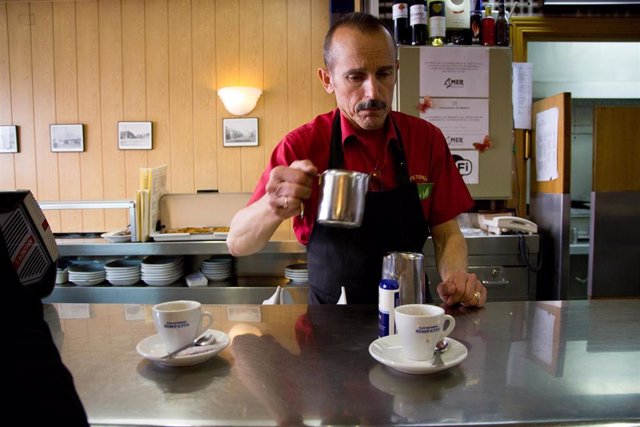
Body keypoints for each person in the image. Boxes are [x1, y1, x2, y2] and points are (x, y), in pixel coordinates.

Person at [227, 12, 486, 307]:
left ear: (397, 71)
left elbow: (447, 234)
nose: (373, 92)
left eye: (384, 74)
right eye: (355, 76)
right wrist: (272, 207)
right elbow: (237, 243)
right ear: (327, 80)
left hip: (410, 323)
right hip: (329, 331)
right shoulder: (301, 145)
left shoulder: (425, 140)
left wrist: (456, 279)